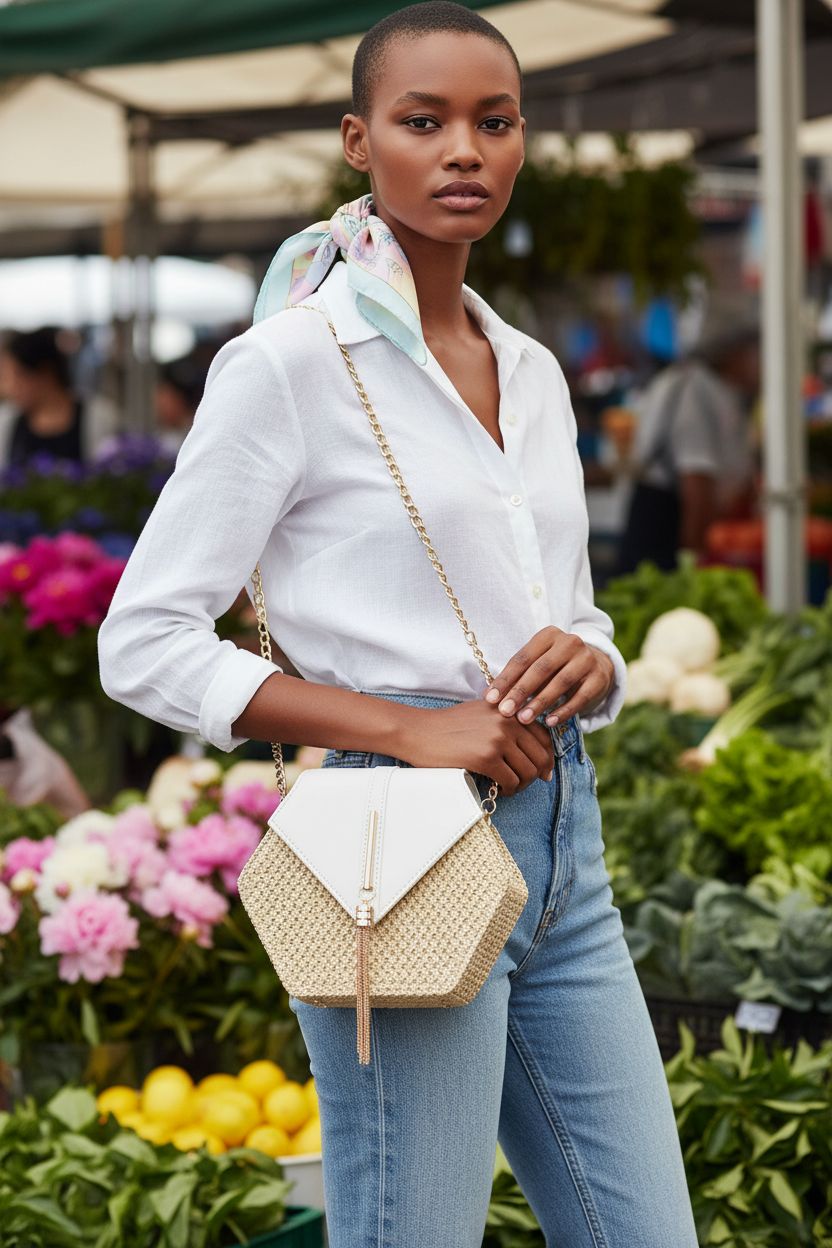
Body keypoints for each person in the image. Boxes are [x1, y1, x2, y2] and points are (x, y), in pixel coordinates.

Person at [97, 5, 698, 1245]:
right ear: (358, 140)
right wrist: (408, 728)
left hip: (561, 848)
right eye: (424, 122)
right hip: (391, 839)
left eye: (495, 121)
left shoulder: (530, 371)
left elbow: (571, 609)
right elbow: (142, 643)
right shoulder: (289, 364)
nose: (465, 149)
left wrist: (594, 659)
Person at [615, 298, 760, 574]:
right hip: (665, 523)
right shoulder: (696, 389)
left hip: (680, 516)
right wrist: (695, 561)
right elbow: (695, 481)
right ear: (732, 353)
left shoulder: (719, 390)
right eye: (755, 351)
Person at [0, 327, 118, 470]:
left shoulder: (99, 417)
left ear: (45, 372)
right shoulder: (6, 422)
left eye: (13, 376)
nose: (6, 387)